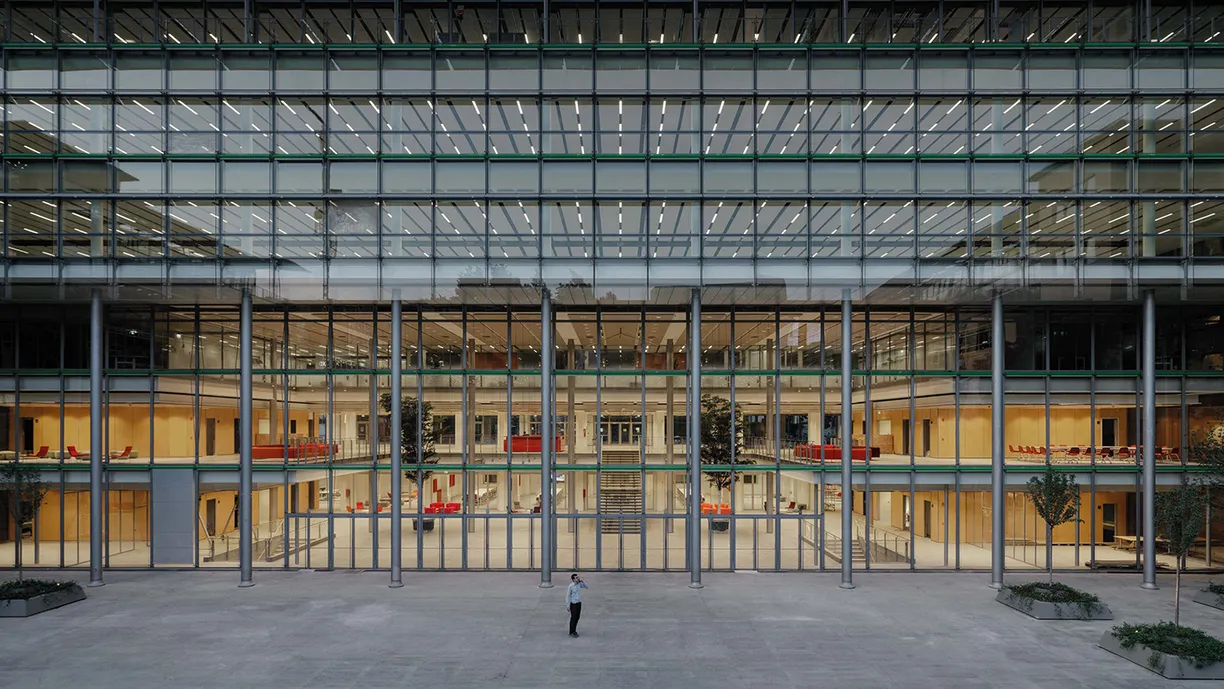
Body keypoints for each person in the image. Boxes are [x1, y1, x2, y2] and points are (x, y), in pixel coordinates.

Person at [565, 573, 588, 637]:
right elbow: (568, 596)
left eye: (578, 577)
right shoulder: (571, 586)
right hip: (573, 604)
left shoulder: (579, 584)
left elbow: (586, 586)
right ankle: (571, 631)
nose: (578, 579)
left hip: (579, 603)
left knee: (577, 617)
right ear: (573, 579)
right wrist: (567, 605)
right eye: (576, 578)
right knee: (573, 618)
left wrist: (582, 581)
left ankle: (574, 630)